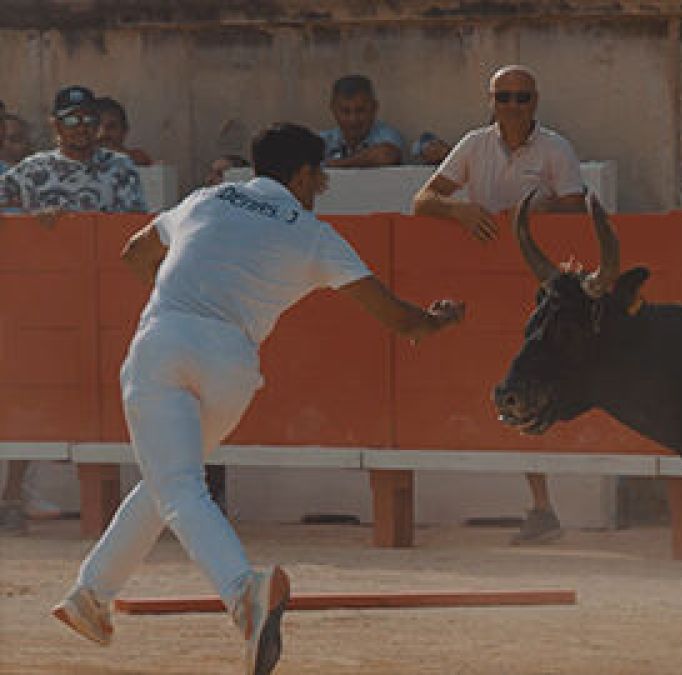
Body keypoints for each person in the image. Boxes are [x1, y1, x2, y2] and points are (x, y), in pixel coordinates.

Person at [51, 123, 466, 674]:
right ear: (300, 174)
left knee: (175, 484)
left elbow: (133, 253)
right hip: (232, 365)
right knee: (170, 479)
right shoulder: (313, 233)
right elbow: (397, 319)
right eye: (318, 176)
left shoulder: (206, 197)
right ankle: (90, 596)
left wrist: (180, 292)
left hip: (165, 340)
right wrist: (436, 322)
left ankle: (243, 591)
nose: (320, 186)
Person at [413, 64, 585, 545]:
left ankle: (546, 505)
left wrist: (546, 213)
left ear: (535, 101)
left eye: (521, 98)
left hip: (544, 296)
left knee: (537, 388)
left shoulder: (555, 148)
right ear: (491, 101)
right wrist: (460, 209)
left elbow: (578, 211)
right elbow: (422, 202)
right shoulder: (473, 145)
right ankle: (541, 506)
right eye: (504, 97)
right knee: (506, 387)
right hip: (488, 284)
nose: (512, 106)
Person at [0, 85, 145, 215]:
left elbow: (133, 221)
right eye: (71, 121)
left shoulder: (120, 166)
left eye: (88, 119)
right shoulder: (32, 169)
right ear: (56, 125)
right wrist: (31, 218)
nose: (81, 128)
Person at [319, 75, 405, 168]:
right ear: (333, 109)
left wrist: (339, 164)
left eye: (361, 110)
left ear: (374, 108)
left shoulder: (387, 135)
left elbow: (386, 155)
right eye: (345, 111)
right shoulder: (324, 140)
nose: (353, 119)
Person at [94, 96, 153, 166]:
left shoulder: (134, 157)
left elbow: (145, 165)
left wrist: (124, 154)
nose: (103, 132)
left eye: (111, 126)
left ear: (124, 131)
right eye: (96, 126)